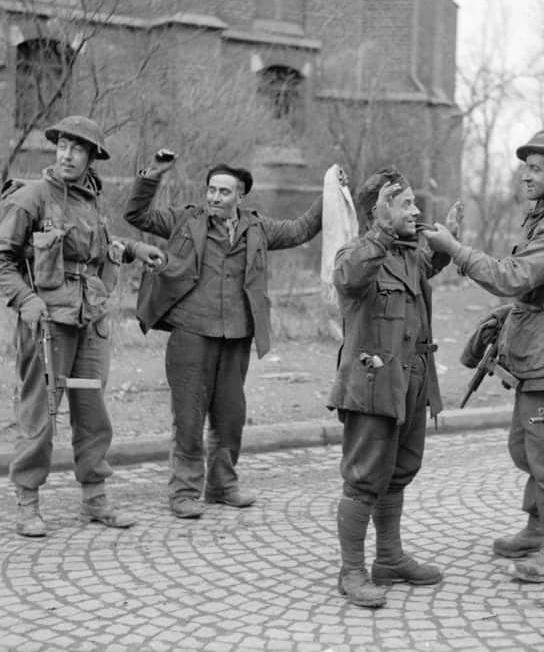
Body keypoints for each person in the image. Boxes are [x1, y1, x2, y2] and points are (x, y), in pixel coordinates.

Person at [422, 128, 544, 584]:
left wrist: (455, 251)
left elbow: (514, 276)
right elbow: (534, 286)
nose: (525, 176)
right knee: (527, 445)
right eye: (525, 167)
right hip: (542, 350)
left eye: (535, 168)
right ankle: (540, 526)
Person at [124, 151, 330, 520]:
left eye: (223, 192)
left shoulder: (258, 228)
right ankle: (184, 491)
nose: (215, 197)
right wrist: (152, 174)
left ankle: (222, 485)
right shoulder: (185, 220)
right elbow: (137, 215)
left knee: (230, 416)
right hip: (191, 333)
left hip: (237, 336)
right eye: (211, 190)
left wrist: (330, 193)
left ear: (240, 196)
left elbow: (300, 229)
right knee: (188, 416)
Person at [0, 115, 165, 537]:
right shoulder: (32, 197)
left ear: (92, 157)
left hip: (91, 319)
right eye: (62, 146)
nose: (67, 155)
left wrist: (136, 248)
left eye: (77, 148)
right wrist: (26, 300)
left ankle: (95, 498)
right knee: (39, 413)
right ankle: (28, 502)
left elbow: (99, 248)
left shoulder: (90, 199)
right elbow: (3, 258)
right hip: (48, 324)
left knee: (93, 412)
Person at [328, 166, 459, 608]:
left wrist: (449, 242)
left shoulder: (406, 254)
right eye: (405, 204)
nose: (415, 211)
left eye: (413, 203)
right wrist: (382, 231)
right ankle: (351, 571)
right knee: (364, 478)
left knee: (399, 471)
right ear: (378, 211)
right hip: (372, 387)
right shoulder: (357, 253)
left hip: (412, 381)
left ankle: (389, 558)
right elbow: (349, 278)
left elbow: (425, 267)